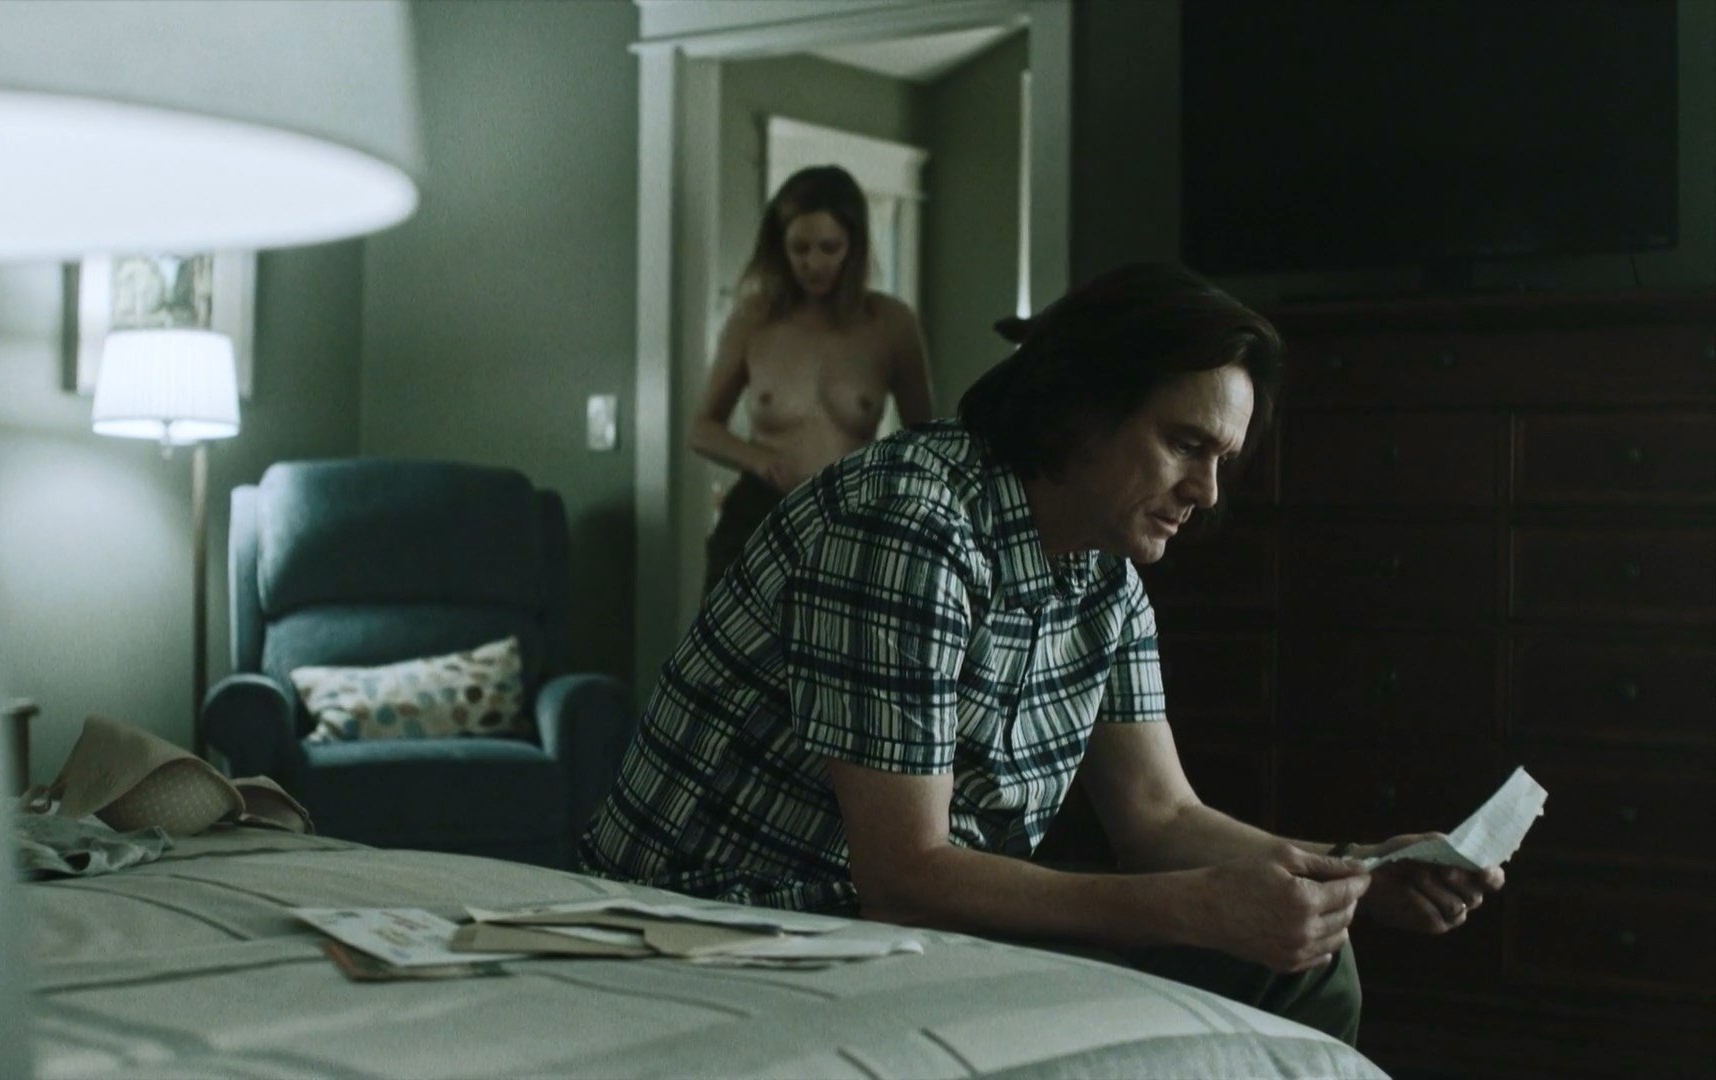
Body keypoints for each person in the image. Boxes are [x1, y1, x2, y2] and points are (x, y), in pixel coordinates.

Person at [580, 262, 1506, 1044]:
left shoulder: (1105, 576)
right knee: (1268, 964)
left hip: (883, 921)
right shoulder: (909, 526)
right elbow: (905, 875)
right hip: (723, 917)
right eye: (1186, 444)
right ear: (1083, 405)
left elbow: (1162, 816)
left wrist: (1355, 869)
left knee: (1306, 958)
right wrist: (1197, 907)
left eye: (1222, 459)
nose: (1209, 491)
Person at [689, 164, 934, 595]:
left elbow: (925, 441)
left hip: (850, 522)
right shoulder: (753, 319)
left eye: (829, 247)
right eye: (799, 248)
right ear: (779, 247)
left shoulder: (891, 323)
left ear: (853, 246)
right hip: (759, 517)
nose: (814, 263)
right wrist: (757, 459)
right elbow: (701, 429)